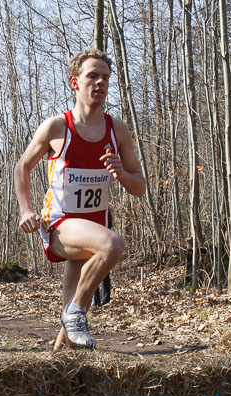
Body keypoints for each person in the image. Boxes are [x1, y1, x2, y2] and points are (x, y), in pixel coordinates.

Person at [14, 49, 146, 350]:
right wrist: (25, 210)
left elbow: (139, 187)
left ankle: (59, 363)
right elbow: (22, 167)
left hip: (93, 226)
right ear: (75, 82)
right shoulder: (56, 127)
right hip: (59, 224)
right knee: (113, 245)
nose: (100, 82)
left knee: (71, 331)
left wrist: (121, 174)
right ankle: (75, 315)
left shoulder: (118, 130)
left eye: (105, 78)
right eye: (92, 76)